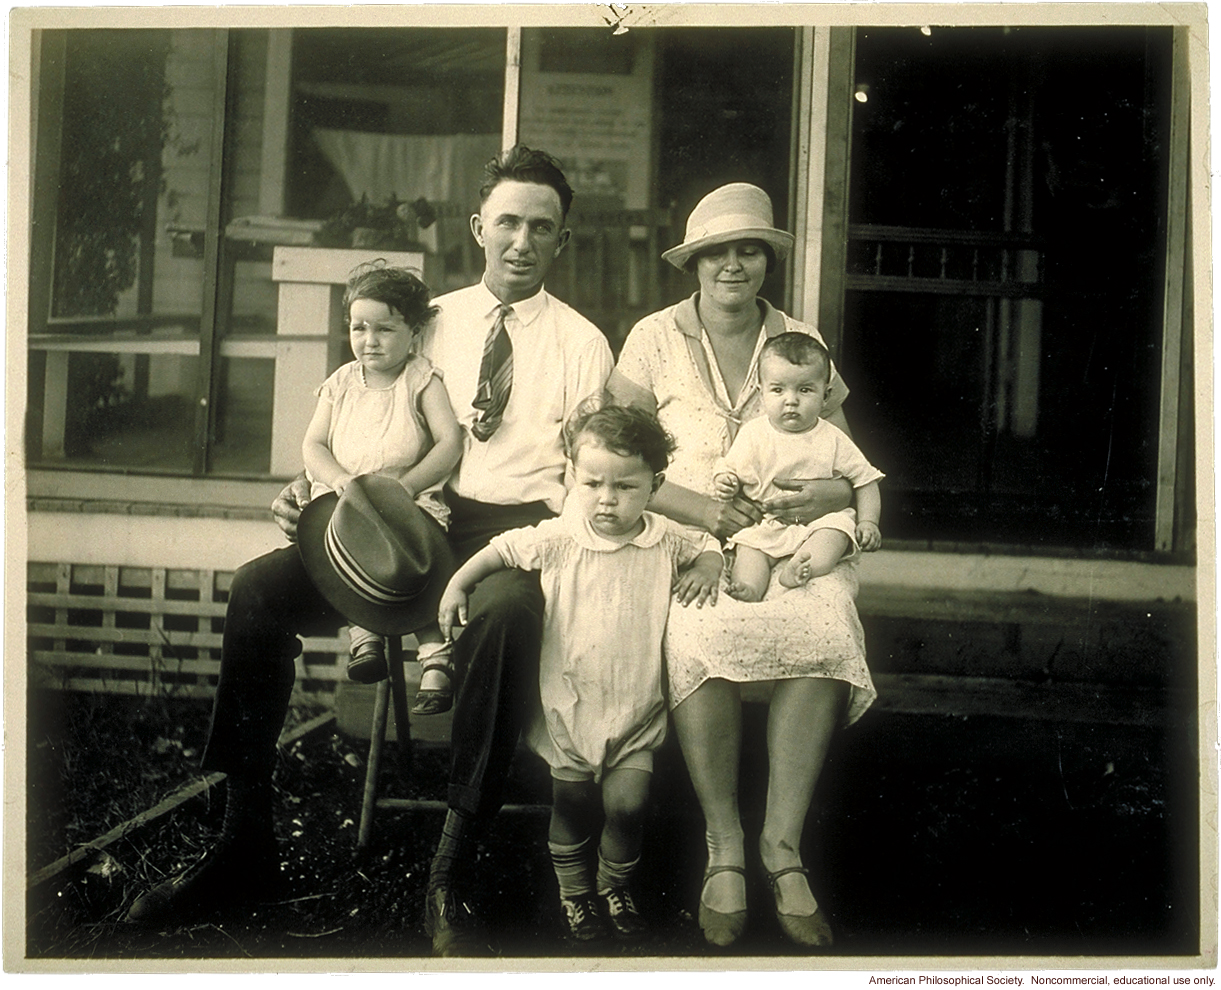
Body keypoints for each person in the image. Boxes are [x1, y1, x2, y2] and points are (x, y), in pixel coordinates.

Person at [126, 147, 615, 959]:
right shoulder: (427, 319)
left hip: (510, 531)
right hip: (396, 529)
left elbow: (584, 480)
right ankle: (243, 840)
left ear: (560, 241)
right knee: (257, 590)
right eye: (507, 223)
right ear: (477, 228)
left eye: (541, 227)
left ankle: (449, 868)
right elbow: (365, 421)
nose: (522, 241)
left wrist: (541, 546)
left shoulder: (582, 344)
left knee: (503, 615)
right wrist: (313, 496)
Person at [607, 182, 878, 949]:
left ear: (766, 259)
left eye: (749, 249)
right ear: (692, 262)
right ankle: (724, 844)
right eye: (717, 251)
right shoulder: (652, 338)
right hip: (686, 540)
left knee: (824, 624)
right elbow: (609, 455)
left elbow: (848, 457)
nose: (734, 264)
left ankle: (780, 847)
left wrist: (825, 493)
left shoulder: (798, 335)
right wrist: (695, 513)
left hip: (796, 541)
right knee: (699, 637)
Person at [437, 404, 722, 944]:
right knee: (569, 801)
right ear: (572, 475)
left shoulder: (664, 538)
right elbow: (499, 550)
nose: (606, 500)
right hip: (570, 704)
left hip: (636, 706)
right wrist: (457, 585)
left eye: (626, 487)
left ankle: (615, 888)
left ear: (655, 485)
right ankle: (575, 898)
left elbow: (708, 544)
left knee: (628, 804)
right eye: (591, 483)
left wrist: (708, 564)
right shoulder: (561, 537)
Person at [301, 263, 461, 714]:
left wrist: (407, 487)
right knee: (349, 554)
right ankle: (364, 635)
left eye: (384, 329)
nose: (369, 340)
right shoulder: (341, 383)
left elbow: (450, 443)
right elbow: (312, 444)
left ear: (413, 333)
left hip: (408, 502)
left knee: (412, 565)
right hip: (349, 501)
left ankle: (435, 658)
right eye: (359, 328)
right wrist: (337, 479)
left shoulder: (421, 380)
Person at [713, 331, 884, 602]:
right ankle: (749, 587)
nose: (790, 400)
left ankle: (802, 568)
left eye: (805, 390)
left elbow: (866, 480)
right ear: (761, 393)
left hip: (819, 523)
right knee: (750, 547)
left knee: (836, 532)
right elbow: (729, 469)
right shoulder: (753, 434)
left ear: (826, 395)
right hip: (768, 522)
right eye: (778, 389)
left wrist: (868, 522)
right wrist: (726, 480)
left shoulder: (832, 438)